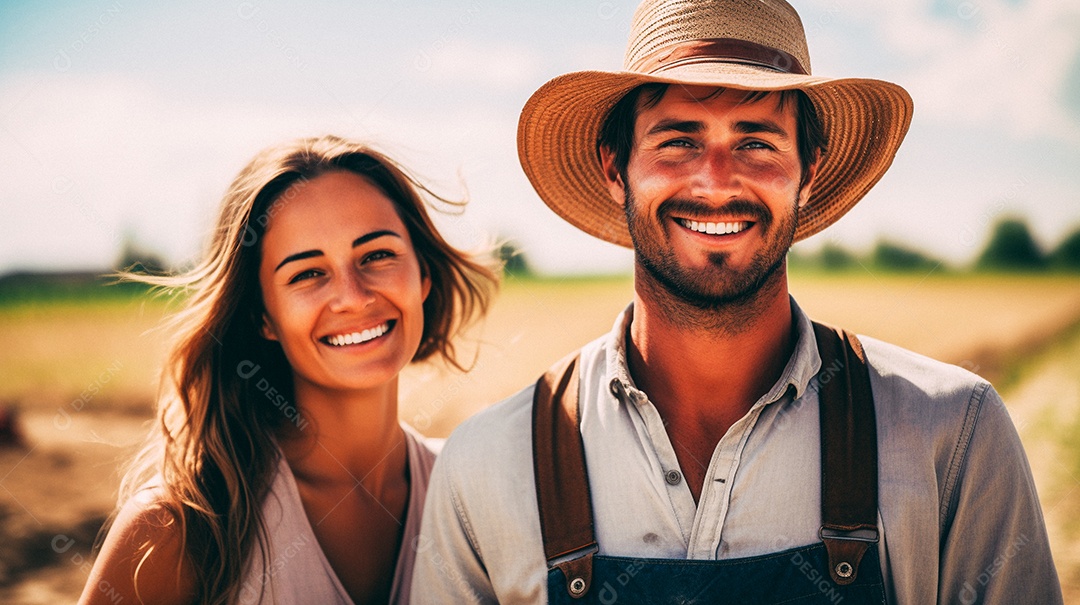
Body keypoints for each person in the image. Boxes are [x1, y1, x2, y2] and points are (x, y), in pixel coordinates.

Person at [411, 1, 1063, 603]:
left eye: (755, 141)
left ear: (809, 168)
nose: (716, 181)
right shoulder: (485, 469)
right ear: (616, 169)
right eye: (678, 140)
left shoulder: (955, 437)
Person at [79, 135, 498, 604]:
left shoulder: (475, 498)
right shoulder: (182, 527)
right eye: (307, 273)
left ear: (423, 274)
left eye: (377, 255)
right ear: (263, 316)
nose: (353, 296)